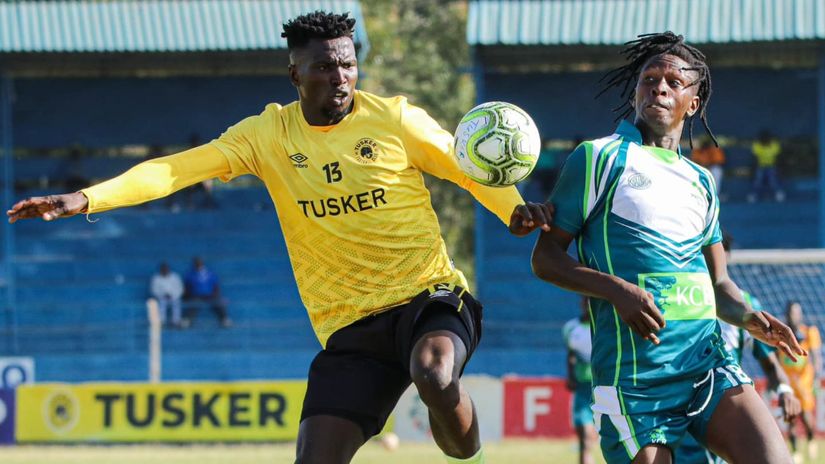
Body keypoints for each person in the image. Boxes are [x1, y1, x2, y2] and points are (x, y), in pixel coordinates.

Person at [6, 11, 551, 464]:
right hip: (348, 326)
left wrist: (513, 209)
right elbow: (175, 170)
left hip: (428, 297)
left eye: (348, 64)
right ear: (295, 74)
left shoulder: (395, 120)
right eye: (324, 66)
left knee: (433, 371)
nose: (340, 77)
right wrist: (87, 198)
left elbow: (465, 167)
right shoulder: (266, 136)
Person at [531, 32, 804, 464]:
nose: (659, 87)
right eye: (649, 79)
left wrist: (750, 318)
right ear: (636, 93)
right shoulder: (597, 158)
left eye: (674, 82)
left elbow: (719, 284)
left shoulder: (701, 182)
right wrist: (617, 290)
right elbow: (545, 258)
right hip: (635, 379)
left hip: (706, 364)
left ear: (693, 103)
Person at [678, 237, 801, 464]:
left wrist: (785, 390)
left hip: (720, 408)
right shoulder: (677, 298)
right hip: (677, 410)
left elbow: (771, 365)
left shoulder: (746, 307)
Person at [778, 301, 822, 463]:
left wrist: (816, 377)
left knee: (806, 416)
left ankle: (811, 439)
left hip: (804, 383)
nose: (794, 316)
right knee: (790, 417)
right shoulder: (780, 334)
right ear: (787, 315)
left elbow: (816, 356)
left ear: (801, 315)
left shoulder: (809, 332)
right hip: (787, 383)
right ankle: (795, 452)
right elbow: (775, 358)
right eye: (791, 313)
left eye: (796, 313)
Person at [563, 297, 597, 464]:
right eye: (585, 300)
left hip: (602, 386)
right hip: (582, 387)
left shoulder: (603, 327)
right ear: (581, 303)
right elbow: (571, 355)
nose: (588, 304)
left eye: (591, 300)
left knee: (595, 436)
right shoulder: (571, 328)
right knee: (584, 435)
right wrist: (570, 376)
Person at [182, 256, 231, 329]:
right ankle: (187, 320)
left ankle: (224, 319)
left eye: (199, 263)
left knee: (219, 303)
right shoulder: (190, 274)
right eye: (196, 263)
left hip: (210, 295)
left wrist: (216, 294)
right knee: (193, 304)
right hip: (196, 296)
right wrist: (186, 296)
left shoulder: (210, 273)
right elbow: (186, 286)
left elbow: (216, 285)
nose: (198, 264)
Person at [748, 129, 784, 203]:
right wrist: (754, 169)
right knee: (758, 180)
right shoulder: (757, 145)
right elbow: (754, 158)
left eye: (766, 139)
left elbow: (779, 157)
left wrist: (778, 168)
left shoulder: (774, 145)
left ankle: (779, 194)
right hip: (760, 166)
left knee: (773, 180)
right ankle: (753, 195)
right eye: (763, 139)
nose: (764, 141)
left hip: (772, 166)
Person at [149, 262, 185, 328]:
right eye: (163, 269)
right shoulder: (156, 278)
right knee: (161, 304)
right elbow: (154, 290)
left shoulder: (175, 277)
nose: (165, 270)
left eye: (166, 269)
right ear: (160, 270)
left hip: (174, 297)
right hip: (162, 297)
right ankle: (162, 322)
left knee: (177, 304)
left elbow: (180, 288)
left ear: (168, 269)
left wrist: (173, 295)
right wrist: (162, 295)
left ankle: (176, 322)